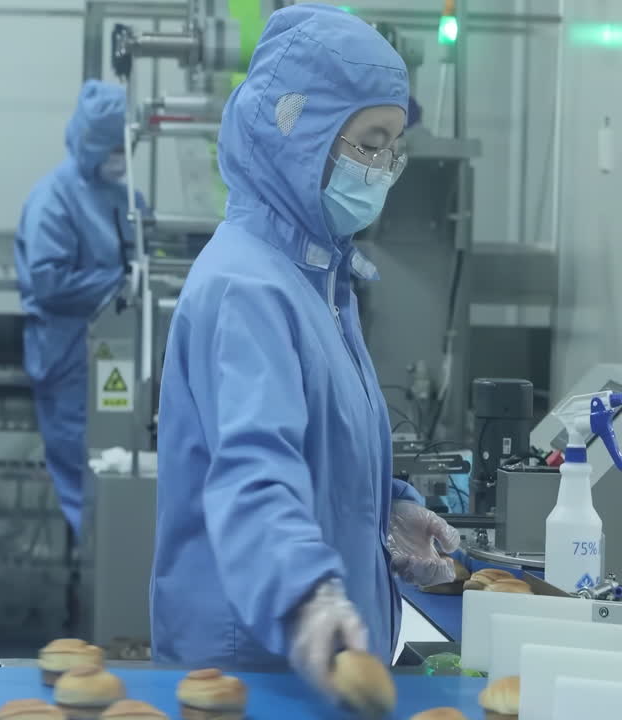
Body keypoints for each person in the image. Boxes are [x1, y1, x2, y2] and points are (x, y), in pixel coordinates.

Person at [149, 3, 460, 696]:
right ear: (300, 133)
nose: (382, 169)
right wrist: (304, 597)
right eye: (368, 143)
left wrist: (383, 510)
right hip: (254, 667)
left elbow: (311, 451)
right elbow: (255, 474)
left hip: (316, 668)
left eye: (392, 147)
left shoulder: (318, 276)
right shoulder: (248, 289)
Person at [14, 79, 135, 536]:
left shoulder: (122, 195)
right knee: (84, 480)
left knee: (113, 474)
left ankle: (107, 572)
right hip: (68, 359)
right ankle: (97, 581)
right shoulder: (55, 198)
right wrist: (123, 284)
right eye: (111, 146)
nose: (119, 157)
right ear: (89, 141)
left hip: (110, 357)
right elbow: (50, 283)